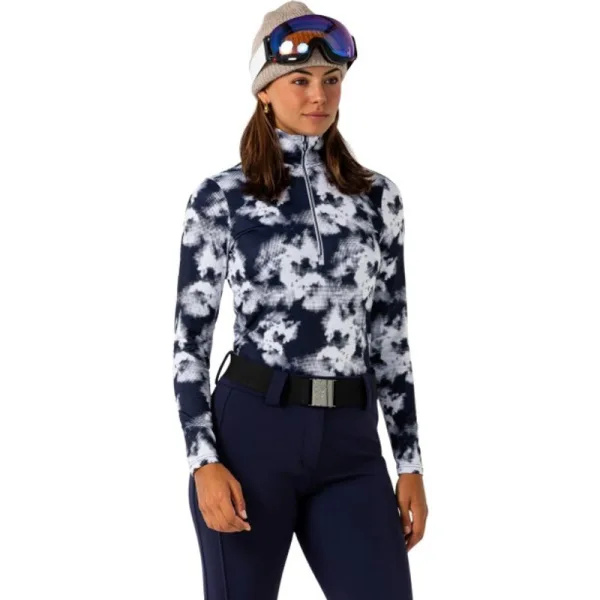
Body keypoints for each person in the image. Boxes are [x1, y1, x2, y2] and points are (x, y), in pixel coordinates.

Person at [172, 2, 428, 598]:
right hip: (251, 439)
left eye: (332, 79)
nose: (319, 95)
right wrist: (203, 460)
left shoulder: (378, 199)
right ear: (264, 91)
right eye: (299, 80)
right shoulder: (222, 197)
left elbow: (390, 337)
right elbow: (189, 344)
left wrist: (409, 462)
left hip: (351, 445)